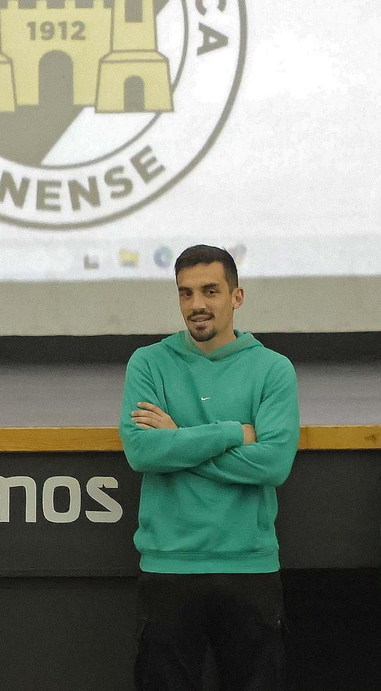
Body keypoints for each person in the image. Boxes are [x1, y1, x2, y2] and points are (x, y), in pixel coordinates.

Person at [119, 244, 300, 691]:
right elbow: (143, 452)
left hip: (249, 568)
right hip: (169, 567)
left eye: (210, 291)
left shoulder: (273, 369)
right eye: (185, 293)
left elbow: (274, 464)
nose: (197, 305)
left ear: (236, 297)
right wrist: (233, 432)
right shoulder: (149, 363)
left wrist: (178, 438)